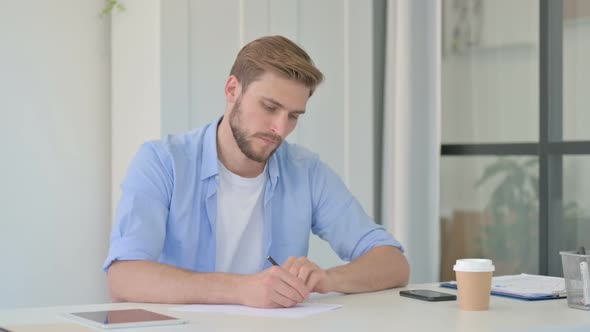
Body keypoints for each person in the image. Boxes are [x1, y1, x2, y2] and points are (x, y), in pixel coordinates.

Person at [104, 35, 410, 308]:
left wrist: (326, 278)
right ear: (232, 89)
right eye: (269, 107)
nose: (280, 128)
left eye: (293, 116)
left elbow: (393, 264)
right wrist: (240, 289)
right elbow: (124, 277)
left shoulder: (305, 171)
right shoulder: (162, 162)